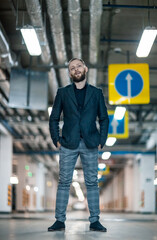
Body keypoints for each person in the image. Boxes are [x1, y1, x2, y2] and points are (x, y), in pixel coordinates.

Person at [48, 58, 109, 232]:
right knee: (64, 182)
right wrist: (56, 139)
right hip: (68, 143)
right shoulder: (63, 92)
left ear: (85, 68)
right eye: (72, 68)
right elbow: (54, 118)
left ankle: (95, 221)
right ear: (69, 73)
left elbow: (104, 118)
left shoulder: (96, 93)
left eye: (79, 66)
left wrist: (101, 141)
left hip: (91, 142)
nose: (76, 69)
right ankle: (59, 221)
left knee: (91, 183)